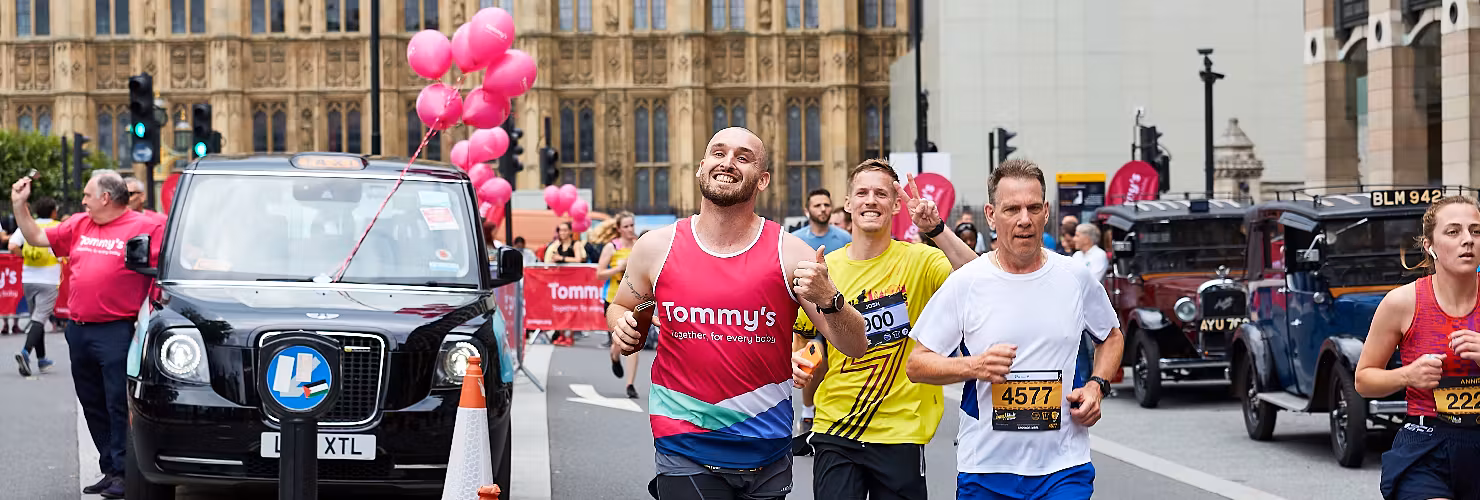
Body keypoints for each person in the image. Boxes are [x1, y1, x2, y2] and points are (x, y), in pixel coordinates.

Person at [607, 127, 869, 500]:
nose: (728, 162)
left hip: (767, 450)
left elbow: (855, 345)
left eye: (743, 157)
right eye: (718, 153)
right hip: (684, 444)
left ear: (762, 180)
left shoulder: (790, 252)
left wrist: (830, 298)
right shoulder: (655, 247)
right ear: (701, 168)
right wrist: (624, 326)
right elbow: (621, 306)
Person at [905, 159, 1125, 500]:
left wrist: (1097, 386)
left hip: (1063, 466)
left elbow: (1110, 336)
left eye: (1033, 208)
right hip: (986, 468)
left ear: (1046, 211)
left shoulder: (1074, 277)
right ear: (991, 215)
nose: (1024, 219)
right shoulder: (966, 282)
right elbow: (917, 364)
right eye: (1012, 209)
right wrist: (974, 366)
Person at [788, 159, 981, 499]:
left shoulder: (922, 260)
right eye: (862, 192)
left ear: (896, 205)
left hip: (900, 430)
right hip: (836, 428)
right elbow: (808, 337)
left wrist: (936, 229)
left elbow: (981, 282)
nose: (871, 200)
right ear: (848, 204)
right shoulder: (827, 267)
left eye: (881, 193)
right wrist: (802, 360)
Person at [12, 170, 165, 499]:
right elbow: (37, 237)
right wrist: (19, 206)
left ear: (106, 198)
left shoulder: (147, 227)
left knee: (117, 403)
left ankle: (126, 472)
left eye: (87, 194)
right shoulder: (80, 223)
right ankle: (110, 468)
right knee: (92, 402)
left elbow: (167, 266)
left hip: (117, 330)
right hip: (79, 330)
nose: (82, 200)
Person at [1355, 195, 1480, 500]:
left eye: (1476, 231)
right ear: (1429, 245)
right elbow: (1363, 380)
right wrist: (1407, 376)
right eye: (1453, 232)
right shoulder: (1402, 302)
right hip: (1428, 446)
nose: (1468, 240)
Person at [596, 212, 643, 399]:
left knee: (633, 341)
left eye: (632, 225)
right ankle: (614, 356)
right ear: (618, 229)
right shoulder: (611, 247)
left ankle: (630, 385)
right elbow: (599, 274)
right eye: (626, 226)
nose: (630, 229)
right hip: (614, 300)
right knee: (619, 341)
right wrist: (618, 268)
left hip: (636, 300)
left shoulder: (640, 245)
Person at [13, 197, 61, 376]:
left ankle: (42, 359)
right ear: (53, 212)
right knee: (39, 318)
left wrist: (26, 257)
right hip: (48, 279)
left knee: (36, 319)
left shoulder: (29, 225)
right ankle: (25, 352)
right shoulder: (57, 226)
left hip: (28, 278)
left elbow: (12, 245)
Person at [543, 221, 587, 346]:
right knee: (560, 309)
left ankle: (570, 335)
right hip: (560, 282)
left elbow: (578, 260)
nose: (562, 233)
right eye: (560, 230)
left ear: (570, 232)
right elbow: (551, 260)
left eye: (565, 230)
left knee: (571, 309)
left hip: (573, 283)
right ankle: (561, 335)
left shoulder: (576, 244)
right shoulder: (557, 246)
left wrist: (561, 259)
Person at [792, 188, 852, 253]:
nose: (823, 209)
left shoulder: (845, 238)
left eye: (826, 205)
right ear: (807, 211)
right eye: (817, 206)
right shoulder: (796, 239)